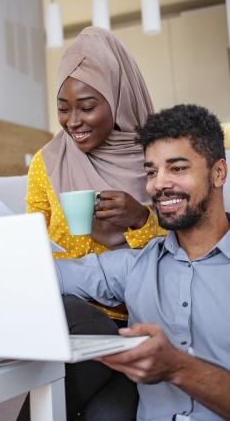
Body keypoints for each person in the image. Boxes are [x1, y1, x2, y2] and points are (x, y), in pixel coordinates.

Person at [18, 27, 166, 421]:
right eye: (63, 107)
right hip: (69, 308)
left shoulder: (158, 159)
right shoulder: (46, 162)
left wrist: (140, 219)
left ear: (117, 98)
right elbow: (34, 242)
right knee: (91, 329)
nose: (73, 121)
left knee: (112, 414)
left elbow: (185, 251)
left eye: (86, 106)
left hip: (135, 314)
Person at [56, 104, 230, 420]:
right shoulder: (136, 266)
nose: (158, 185)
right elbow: (43, 275)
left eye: (177, 168)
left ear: (218, 172)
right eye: (151, 171)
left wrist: (177, 367)